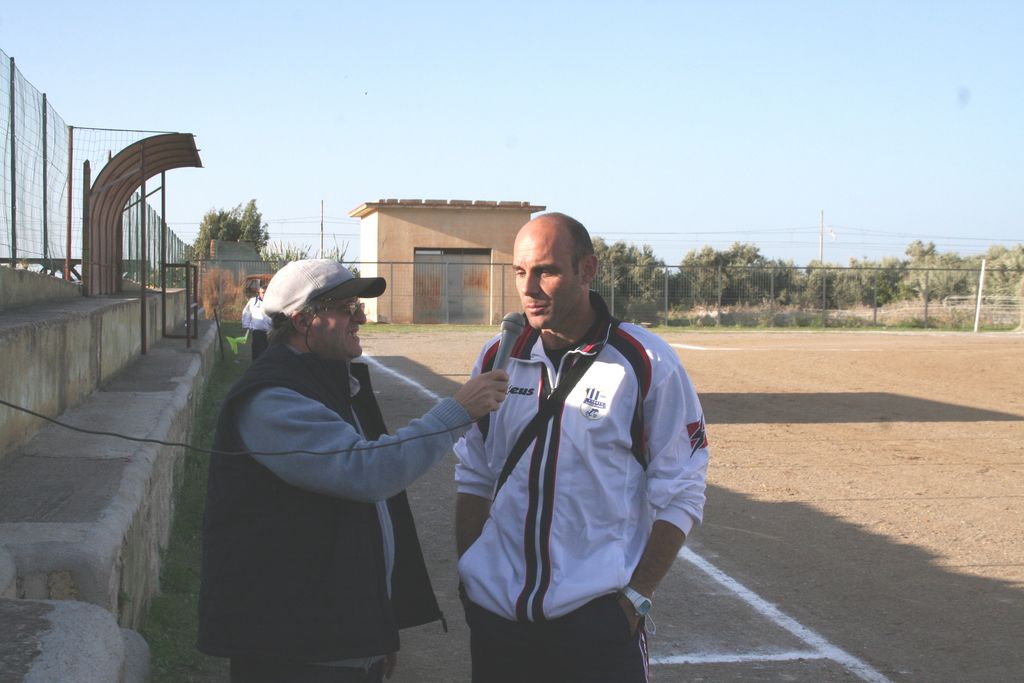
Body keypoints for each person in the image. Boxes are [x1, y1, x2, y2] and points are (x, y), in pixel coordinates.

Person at [198, 259, 509, 682]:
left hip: (338, 639)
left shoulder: (330, 384)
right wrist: (455, 412)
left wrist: (377, 626)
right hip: (296, 651)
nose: (361, 317)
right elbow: (367, 473)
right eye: (347, 308)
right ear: (303, 321)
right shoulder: (273, 399)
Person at [454, 213, 710, 682]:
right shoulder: (497, 357)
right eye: (519, 272)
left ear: (587, 270)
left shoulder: (644, 361)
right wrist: (470, 574)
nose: (529, 288)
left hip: (597, 624)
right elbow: (474, 472)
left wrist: (636, 597)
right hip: (497, 620)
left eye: (546, 271)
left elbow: (683, 490)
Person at [241, 285, 272, 359]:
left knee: (268, 352)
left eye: (266, 293)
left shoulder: (273, 302)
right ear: (259, 293)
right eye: (263, 292)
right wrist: (246, 325)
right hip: (257, 331)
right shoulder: (253, 301)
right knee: (257, 350)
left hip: (270, 332)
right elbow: (247, 312)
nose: (264, 294)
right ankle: (256, 363)